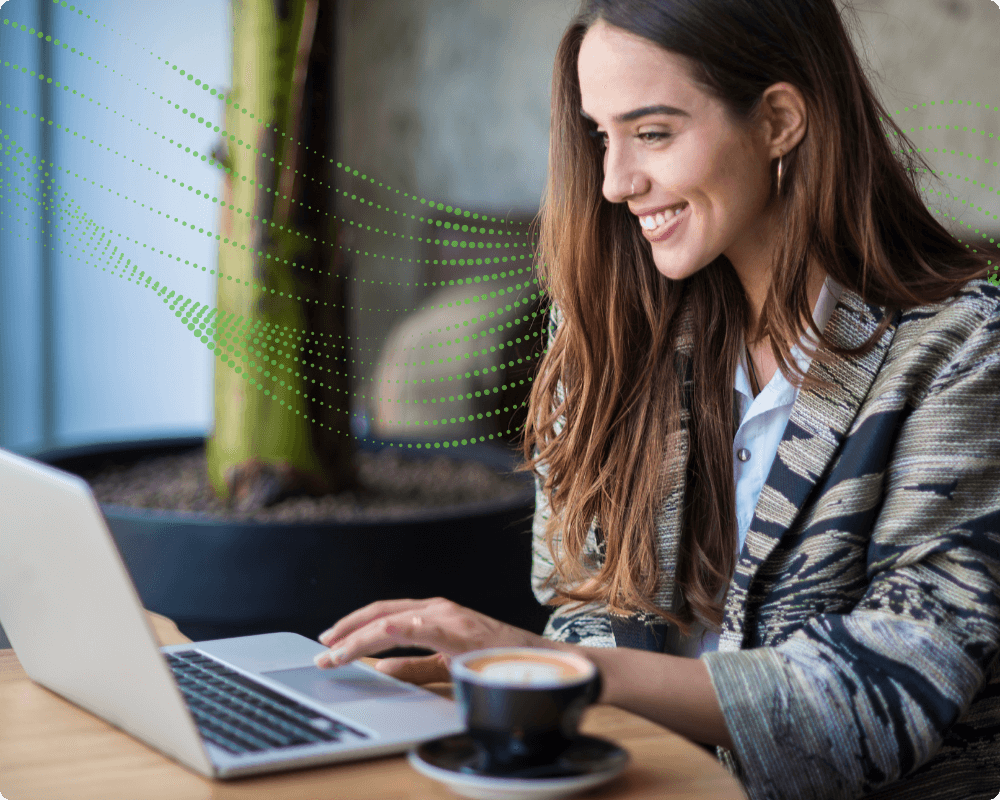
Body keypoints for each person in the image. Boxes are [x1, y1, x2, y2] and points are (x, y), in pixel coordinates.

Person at [313, 1, 1000, 798]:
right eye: (602, 134)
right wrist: (508, 692)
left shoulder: (962, 354)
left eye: (653, 133)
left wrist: (553, 669)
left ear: (779, 120)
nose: (613, 182)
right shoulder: (610, 328)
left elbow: (881, 697)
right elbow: (581, 601)